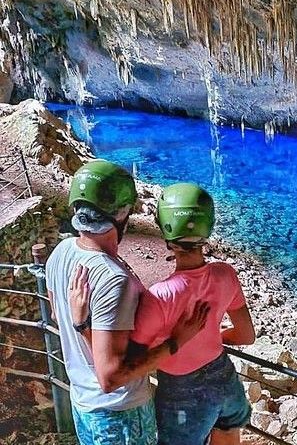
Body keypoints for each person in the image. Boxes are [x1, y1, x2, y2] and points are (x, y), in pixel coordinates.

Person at [71, 182, 256, 445]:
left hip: (183, 394)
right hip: (224, 379)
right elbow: (246, 335)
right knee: (228, 427)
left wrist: (83, 324)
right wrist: (210, 336)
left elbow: (125, 365)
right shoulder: (225, 275)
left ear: (166, 232)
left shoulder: (160, 297)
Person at [46, 160, 209, 445]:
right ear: (121, 214)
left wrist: (85, 327)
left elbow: (57, 317)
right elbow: (111, 376)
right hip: (119, 414)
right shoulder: (111, 279)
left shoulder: (60, 253)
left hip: (83, 403)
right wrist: (176, 342)